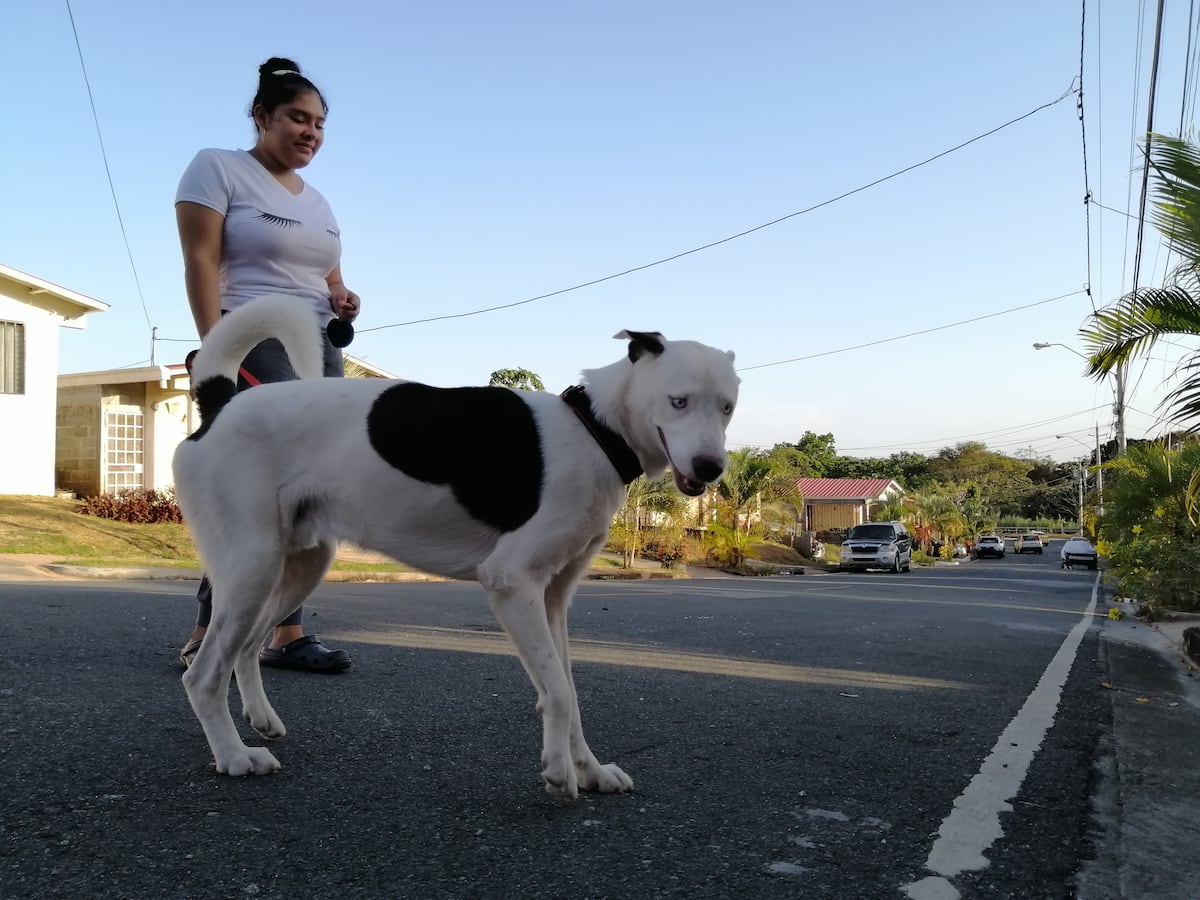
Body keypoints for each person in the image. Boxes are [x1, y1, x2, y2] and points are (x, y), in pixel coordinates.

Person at [174, 56, 359, 673]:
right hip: (254, 334)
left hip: (320, 345)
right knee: (264, 482)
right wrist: (215, 349)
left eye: (320, 124)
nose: (311, 132)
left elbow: (327, 277)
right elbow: (200, 261)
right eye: (298, 118)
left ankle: (276, 631)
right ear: (262, 116)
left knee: (310, 486)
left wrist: (342, 296)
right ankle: (218, 630)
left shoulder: (319, 202)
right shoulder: (218, 167)